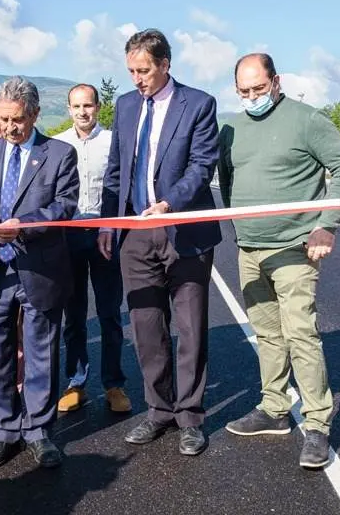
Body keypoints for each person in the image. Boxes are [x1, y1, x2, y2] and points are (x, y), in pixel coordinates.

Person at [218, 53, 340, 469]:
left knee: (301, 334)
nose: (252, 97)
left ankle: (317, 424)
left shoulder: (306, 120)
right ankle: (274, 408)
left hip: (295, 247)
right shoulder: (232, 127)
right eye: (243, 92)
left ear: (276, 81)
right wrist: (242, 224)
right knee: (266, 333)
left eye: (259, 89)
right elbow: (229, 177)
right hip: (249, 248)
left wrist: (326, 225)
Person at [100, 29, 221, 456]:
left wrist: (170, 203)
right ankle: (159, 411)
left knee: (189, 329)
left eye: (144, 70)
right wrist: (107, 226)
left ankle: (190, 417)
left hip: (184, 232)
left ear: (165, 64)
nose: (137, 78)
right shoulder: (126, 106)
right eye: (131, 70)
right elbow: (115, 170)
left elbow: (202, 164)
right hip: (136, 235)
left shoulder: (199, 104)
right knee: (147, 329)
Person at [0, 76, 79, 471]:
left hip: (39, 270)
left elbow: (64, 207)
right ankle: (5, 432)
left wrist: (22, 225)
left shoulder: (60, 154)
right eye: (4, 120)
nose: (10, 128)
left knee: (41, 354)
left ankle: (40, 432)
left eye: (18, 120)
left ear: (36, 114)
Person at [55, 83, 130, 414]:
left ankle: (113, 384)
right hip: (69, 239)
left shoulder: (114, 142)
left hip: (105, 237)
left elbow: (120, 189)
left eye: (89, 105)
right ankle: (76, 383)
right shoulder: (58, 145)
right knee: (73, 317)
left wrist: (109, 227)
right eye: (77, 106)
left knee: (110, 314)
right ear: (69, 109)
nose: (83, 111)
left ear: (98, 108)